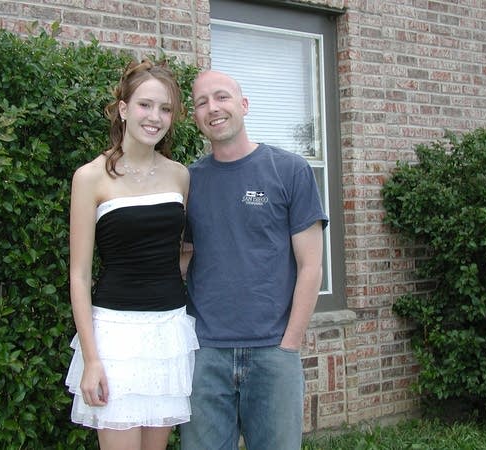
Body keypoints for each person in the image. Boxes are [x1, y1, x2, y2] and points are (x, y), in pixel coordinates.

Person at [179, 70, 329, 450]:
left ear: (243, 105)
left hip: (273, 351)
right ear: (195, 117)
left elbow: (311, 266)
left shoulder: (289, 170)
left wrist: (289, 344)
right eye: (201, 102)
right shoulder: (188, 182)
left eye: (222, 97)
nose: (213, 108)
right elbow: (183, 257)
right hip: (205, 354)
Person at [65, 59, 198, 450]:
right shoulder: (91, 177)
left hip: (168, 333)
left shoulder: (179, 175)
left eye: (166, 108)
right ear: (124, 109)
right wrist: (92, 359)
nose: (154, 117)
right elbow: (79, 275)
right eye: (145, 105)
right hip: (115, 337)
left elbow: (178, 251)